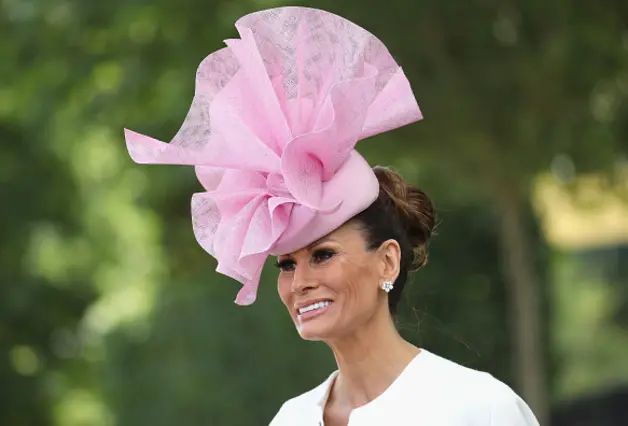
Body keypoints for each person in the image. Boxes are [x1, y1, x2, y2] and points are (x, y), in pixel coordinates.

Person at [123, 6, 540, 426]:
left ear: (388, 261)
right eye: (287, 264)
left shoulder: (477, 408)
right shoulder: (290, 420)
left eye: (322, 254)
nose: (299, 282)